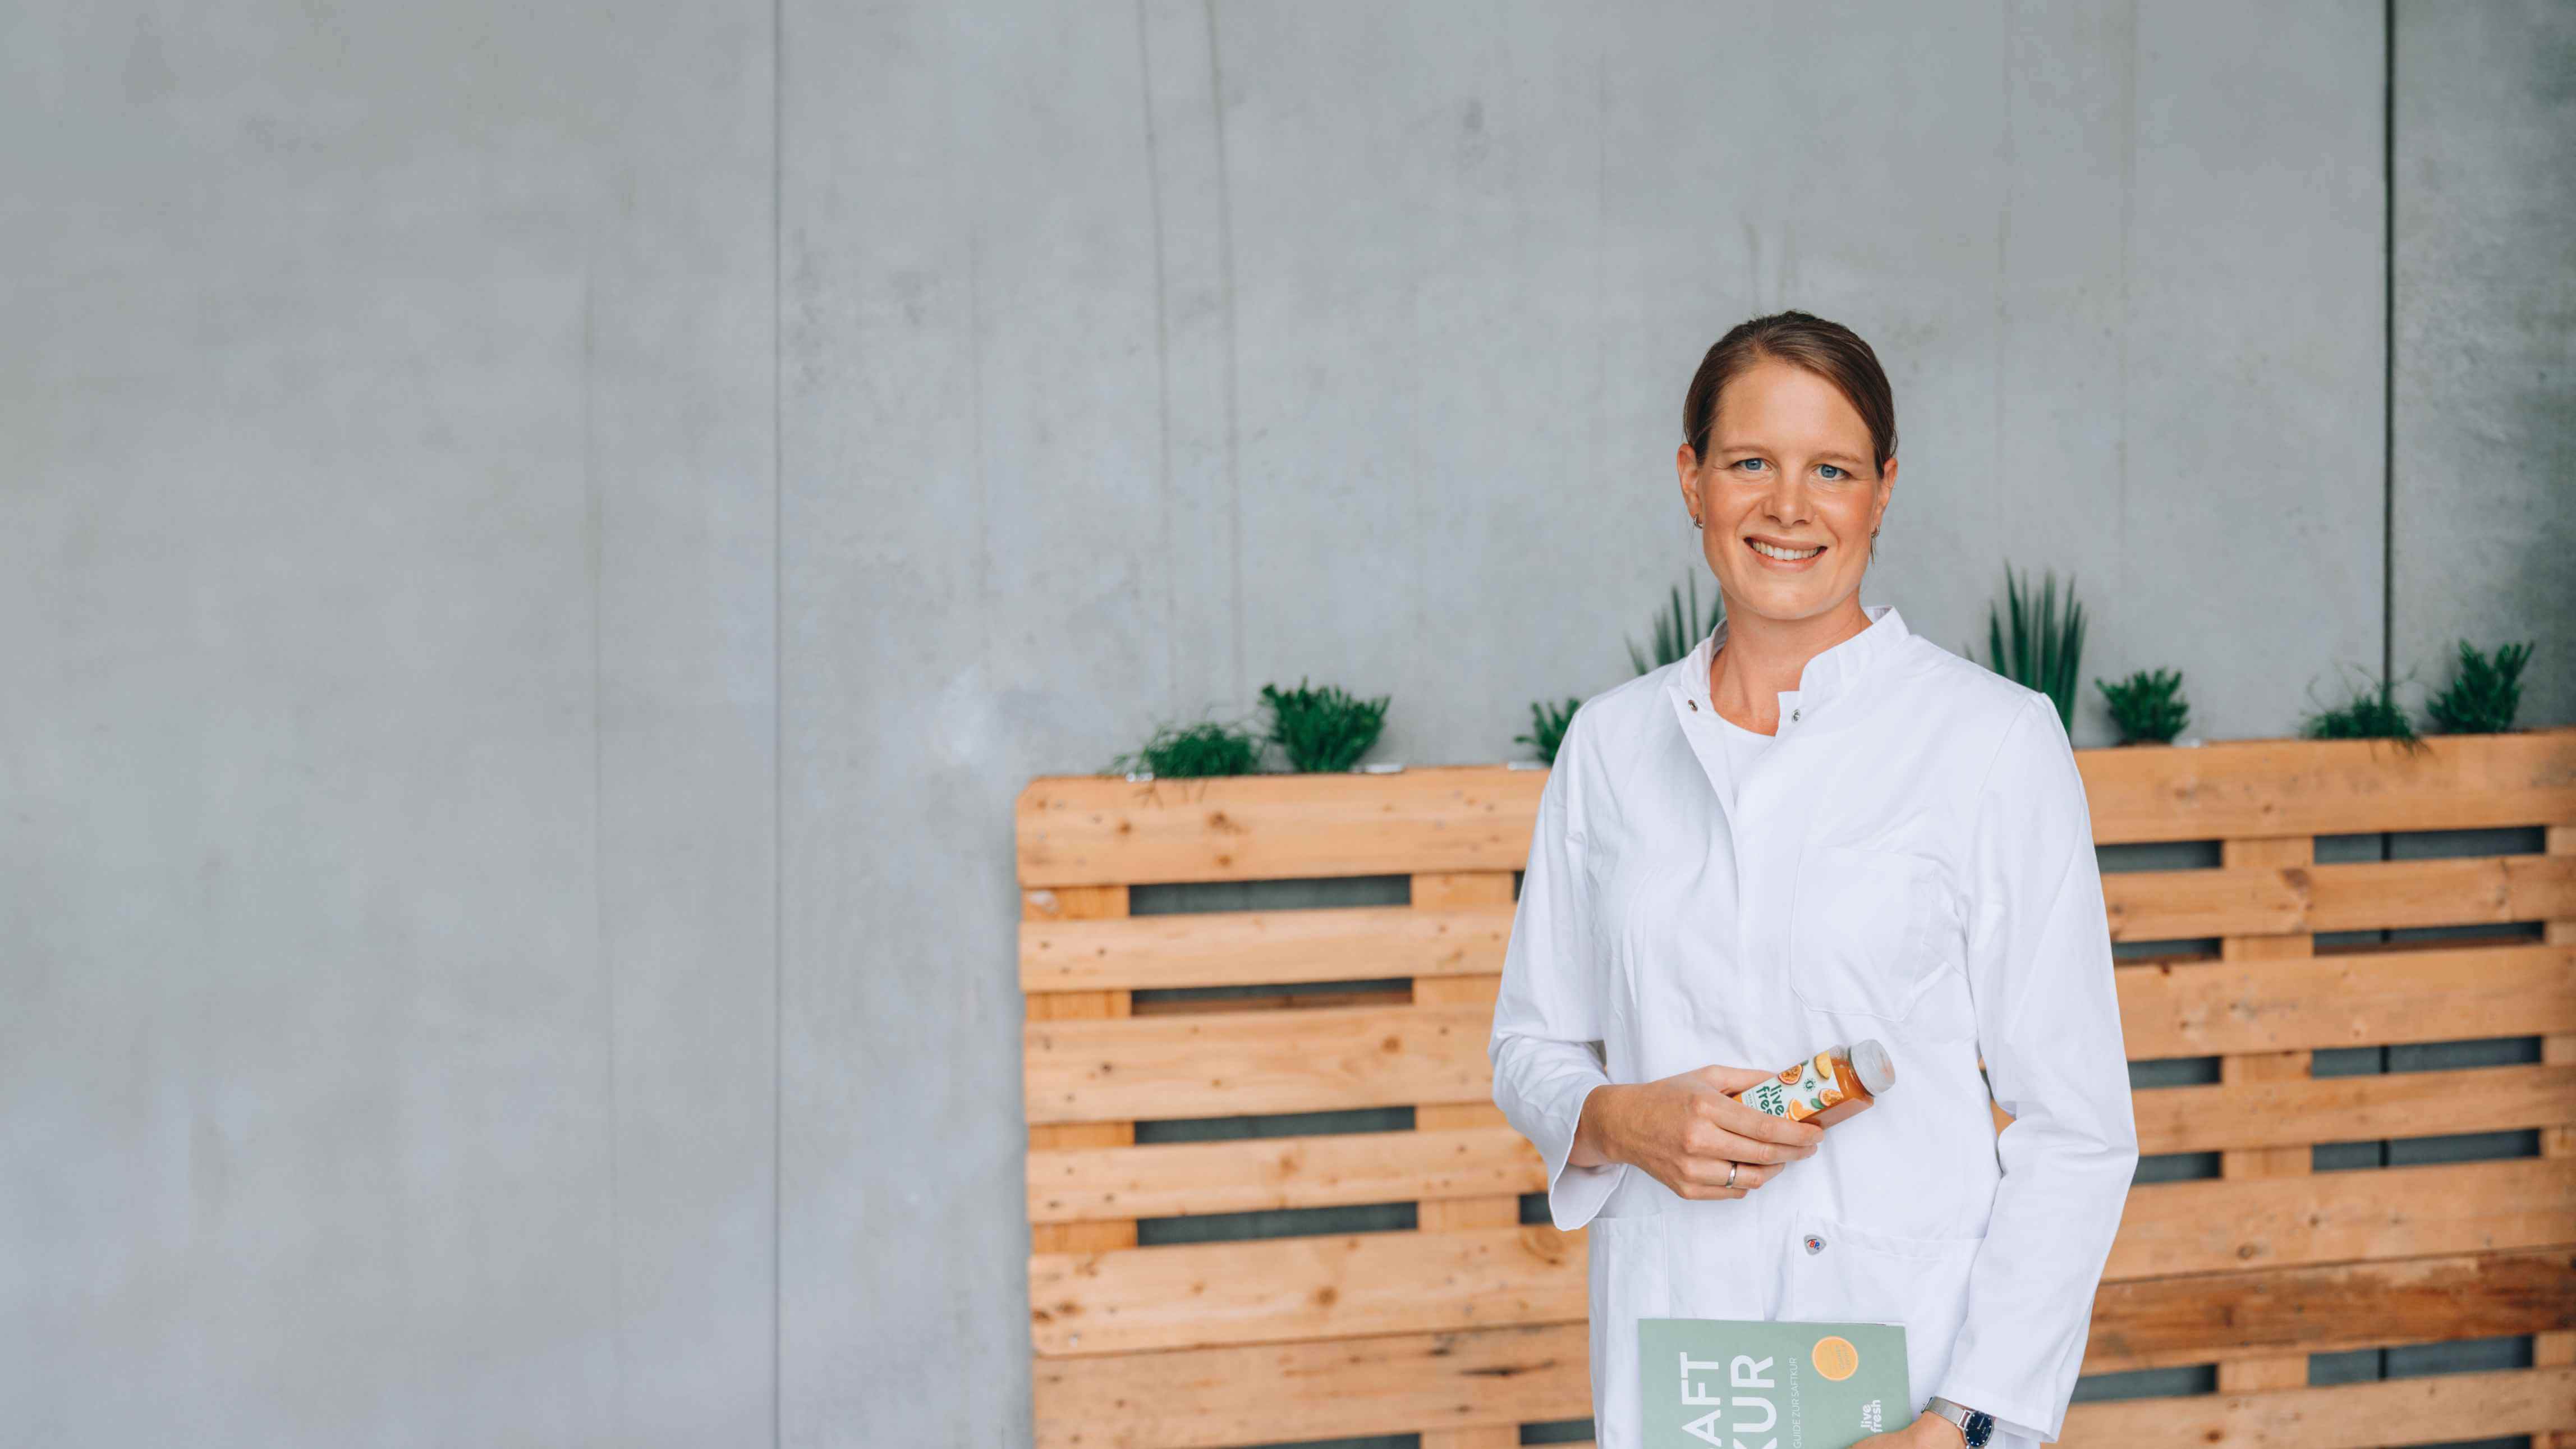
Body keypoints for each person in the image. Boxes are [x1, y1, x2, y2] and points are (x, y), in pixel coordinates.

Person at [1488, 310, 2139, 1449]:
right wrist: (1614, 1117)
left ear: (1881, 491)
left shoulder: (1990, 739)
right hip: (1675, 1360)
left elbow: (2075, 1126)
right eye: (1750, 463)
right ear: (1692, 480)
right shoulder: (1609, 744)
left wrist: (1966, 1422)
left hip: (1905, 1380)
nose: (1787, 506)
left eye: (1829, 469)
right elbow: (1531, 1044)